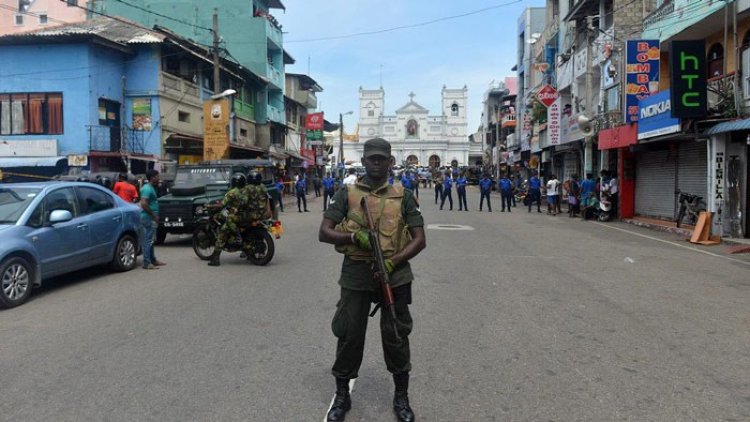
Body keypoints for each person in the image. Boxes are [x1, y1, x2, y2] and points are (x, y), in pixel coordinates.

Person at [318, 138, 426, 422]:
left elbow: (419, 240)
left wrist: (393, 261)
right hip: (356, 273)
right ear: (364, 161)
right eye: (372, 159)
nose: (377, 164)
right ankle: (342, 396)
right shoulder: (347, 193)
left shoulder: (404, 194)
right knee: (349, 334)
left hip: (395, 273)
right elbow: (325, 232)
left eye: (382, 159)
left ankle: (401, 397)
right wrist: (353, 236)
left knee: (397, 335)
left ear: (391, 162)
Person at [209, 173, 250, 266]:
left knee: (223, 232)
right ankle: (245, 251)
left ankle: (215, 259)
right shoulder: (247, 190)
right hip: (249, 215)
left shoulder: (232, 192)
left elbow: (222, 204)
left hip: (237, 216)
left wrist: (210, 205)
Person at [140, 169, 165, 269]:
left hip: (151, 217)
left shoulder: (151, 187)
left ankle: (153, 260)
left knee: (151, 240)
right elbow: (144, 203)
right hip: (148, 218)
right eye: (157, 176)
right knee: (148, 240)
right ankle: (147, 262)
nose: (159, 178)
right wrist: (154, 216)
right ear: (152, 177)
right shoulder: (147, 188)